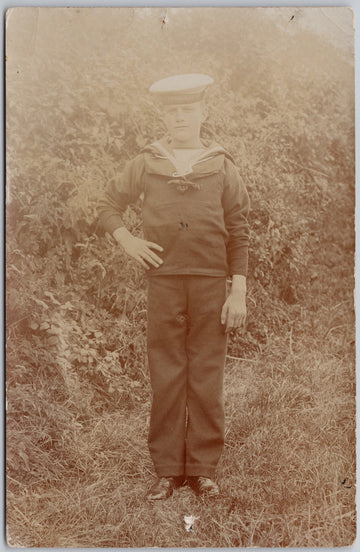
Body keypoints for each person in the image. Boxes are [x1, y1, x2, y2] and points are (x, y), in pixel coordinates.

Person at [98, 74, 250, 500]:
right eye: (172, 110)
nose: (181, 117)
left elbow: (239, 230)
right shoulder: (147, 161)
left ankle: (202, 469)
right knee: (166, 372)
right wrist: (127, 239)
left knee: (206, 372)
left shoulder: (221, 164)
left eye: (188, 109)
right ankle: (167, 470)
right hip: (163, 283)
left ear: (203, 112)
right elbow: (108, 205)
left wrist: (237, 291)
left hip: (208, 285)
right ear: (163, 115)